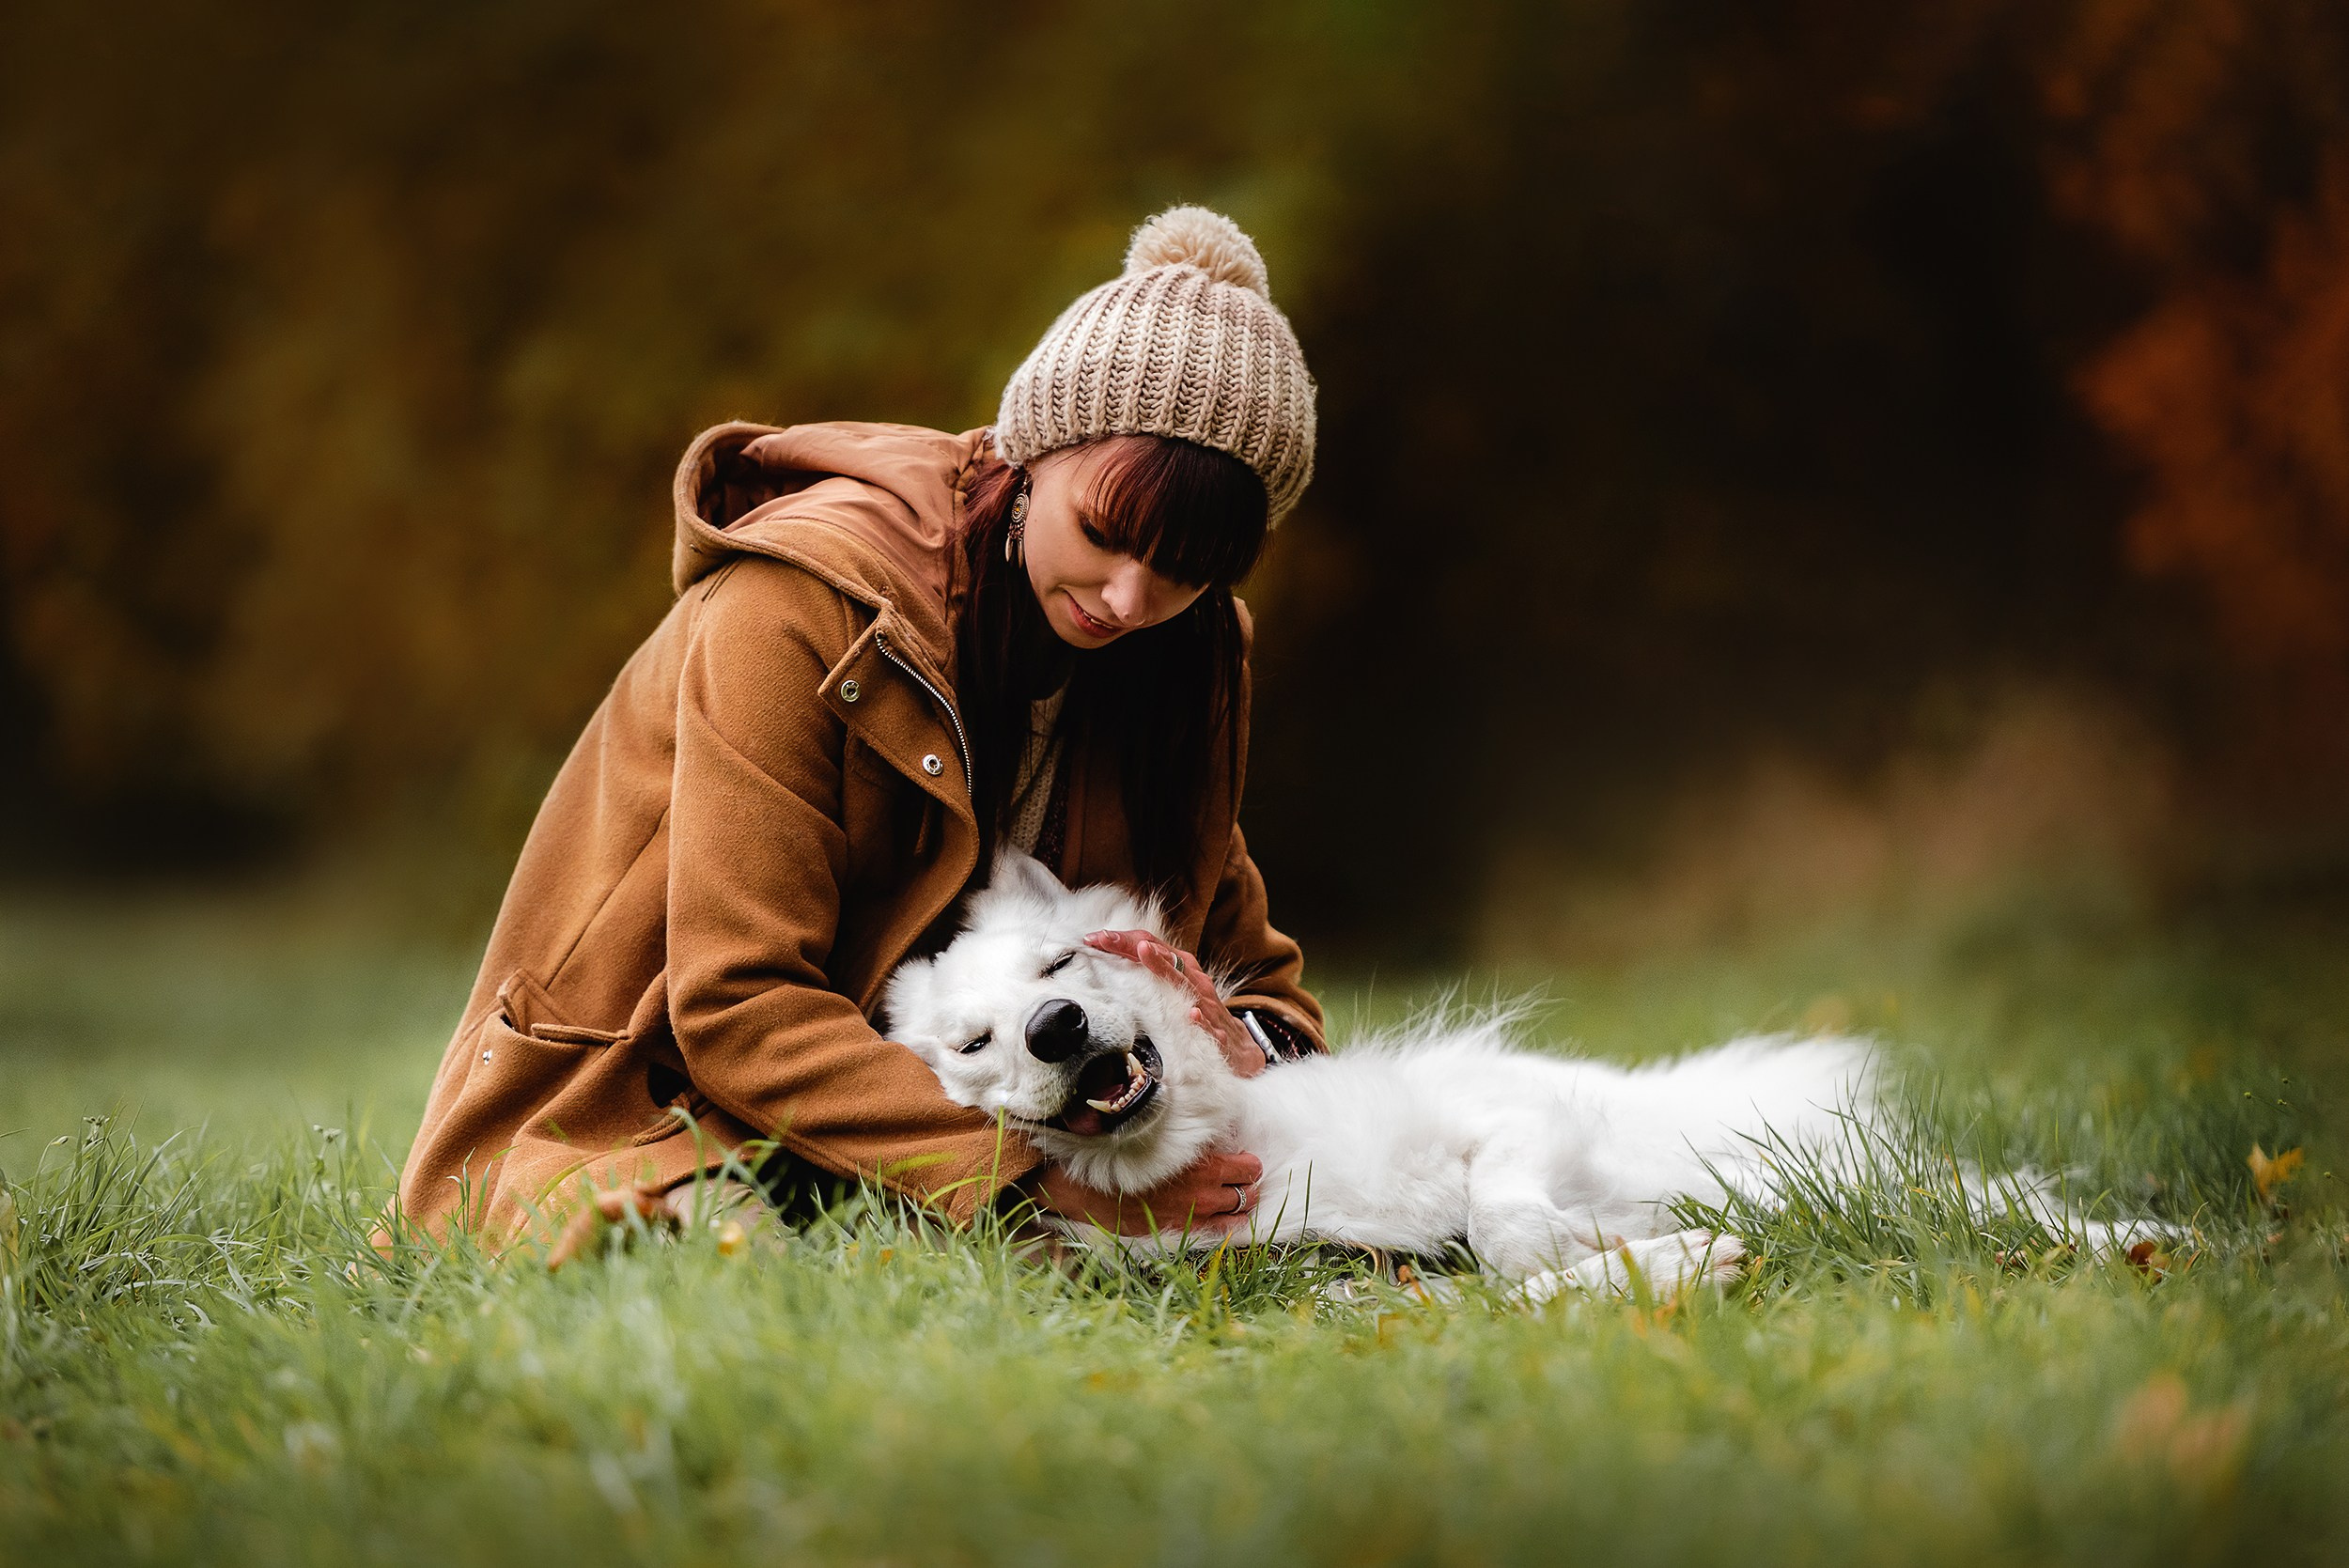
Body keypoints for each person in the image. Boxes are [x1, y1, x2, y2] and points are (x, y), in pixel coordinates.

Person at [392, 207, 1326, 1257]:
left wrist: (1240, 1045)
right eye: (1104, 534)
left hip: (974, 1112)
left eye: (1182, 573)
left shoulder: (1183, 656)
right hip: (647, 1106)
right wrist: (1030, 1186)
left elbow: (1259, 977)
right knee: (728, 1263)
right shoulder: (798, 607)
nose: (1124, 596)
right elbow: (737, 1002)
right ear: (1034, 452)